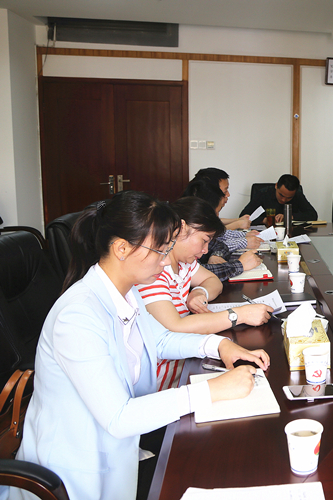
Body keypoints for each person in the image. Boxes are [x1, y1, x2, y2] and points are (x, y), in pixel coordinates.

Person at [8, 191, 269, 500]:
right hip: (76, 474)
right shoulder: (76, 316)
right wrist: (211, 391)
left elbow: (159, 339)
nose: (166, 260)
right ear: (122, 248)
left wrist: (218, 346)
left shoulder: (127, 292)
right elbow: (119, 417)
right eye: (160, 250)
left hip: (121, 449)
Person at [136, 197, 273, 390]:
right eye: (204, 240)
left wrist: (200, 291)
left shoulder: (184, 262)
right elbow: (175, 327)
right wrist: (238, 315)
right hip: (164, 382)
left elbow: (212, 280)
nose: (205, 250)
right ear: (182, 228)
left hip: (185, 363)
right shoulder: (154, 271)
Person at [183, 176, 262, 252]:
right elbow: (212, 246)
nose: (227, 194)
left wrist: (244, 235)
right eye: (225, 190)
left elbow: (219, 236)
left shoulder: (195, 210)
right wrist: (243, 242)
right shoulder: (191, 221)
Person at [239, 174, 318, 224]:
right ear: (276, 186)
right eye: (281, 195)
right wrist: (265, 220)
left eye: (289, 197)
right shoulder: (263, 193)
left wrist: (289, 216)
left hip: (291, 233)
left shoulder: (297, 194)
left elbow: (313, 215)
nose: (284, 200)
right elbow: (243, 216)